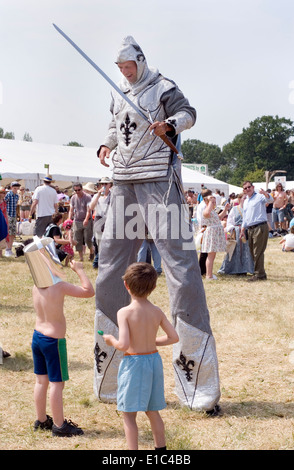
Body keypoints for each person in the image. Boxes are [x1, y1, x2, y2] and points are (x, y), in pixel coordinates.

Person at [94, 36, 221, 414]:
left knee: (181, 270)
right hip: (123, 183)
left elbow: (189, 113)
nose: (124, 72)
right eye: (119, 68)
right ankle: (111, 375)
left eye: (128, 66)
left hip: (159, 181)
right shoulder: (119, 92)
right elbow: (116, 127)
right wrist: (106, 144)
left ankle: (197, 384)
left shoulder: (164, 86)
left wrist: (170, 123)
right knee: (108, 270)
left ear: (141, 60)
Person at [102, 262, 179, 450]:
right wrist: (152, 342)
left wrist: (110, 339)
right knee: (153, 411)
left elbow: (123, 345)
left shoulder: (124, 312)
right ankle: (161, 450)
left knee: (129, 414)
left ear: (126, 285)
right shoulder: (156, 311)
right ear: (153, 287)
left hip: (133, 364)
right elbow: (173, 337)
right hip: (153, 361)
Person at [31, 258, 94, 437]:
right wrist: (79, 270)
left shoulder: (36, 287)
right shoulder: (59, 287)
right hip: (53, 342)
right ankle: (59, 426)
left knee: (41, 381)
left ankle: (41, 420)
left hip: (37, 337)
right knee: (57, 384)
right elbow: (89, 291)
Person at [240, 181, 273, 282]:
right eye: (245, 188)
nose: (247, 189)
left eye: (249, 187)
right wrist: (242, 229)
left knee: (257, 251)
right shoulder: (246, 201)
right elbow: (245, 217)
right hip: (250, 229)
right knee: (252, 251)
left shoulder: (259, 196)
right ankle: (261, 274)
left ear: (253, 187)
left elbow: (270, 200)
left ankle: (258, 275)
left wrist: (265, 194)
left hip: (260, 226)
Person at [218, 193, 254, 276]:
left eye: (247, 198)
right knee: (235, 250)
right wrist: (231, 231)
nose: (245, 200)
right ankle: (234, 269)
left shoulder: (249, 209)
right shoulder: (234, 209)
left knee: (247, 250)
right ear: (239, 199)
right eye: (244, 198)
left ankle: (246, 269)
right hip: (237, 231)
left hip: (247, 231)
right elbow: (229, 222)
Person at [201, 195, 229, 280]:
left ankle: (209, 274)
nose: (213, 203)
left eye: (214, 202)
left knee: (212, 255)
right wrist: (210, 202)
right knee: (211, 255)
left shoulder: (212, 211)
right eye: (212, 202)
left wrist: (225, 210)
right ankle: (208, 275)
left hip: (214, 233)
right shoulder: (206, 210)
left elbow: (219, 217)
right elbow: (206, 213)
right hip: (211, 234)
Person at [88, 177, 113, 267]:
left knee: (109, 242)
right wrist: (98, 195)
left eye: (106, 184)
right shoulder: (97, 196)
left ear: (110, 185)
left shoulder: (113, 195)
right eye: (102, 184)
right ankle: (97, 263)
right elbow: (91, 207)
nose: (104, 186)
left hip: (110, 220)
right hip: (99, 219)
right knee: (99, 243)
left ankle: (103, 262)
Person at [68, 182, 94, 262]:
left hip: (87, 220)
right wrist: (69, 220)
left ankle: (92, 252)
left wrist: (86, 219)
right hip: (77, 220)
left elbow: (88, 210)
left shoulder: (88, 197)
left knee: (87, 239)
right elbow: (71, 210)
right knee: (77, 240)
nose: (77, 191)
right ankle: (81, 258)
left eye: (79, 190)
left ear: (82, 189)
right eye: (75, 190)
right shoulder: (73, 198)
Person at [4, 181, 20, 257]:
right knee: (8, 233)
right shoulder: (8, 195)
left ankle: (10, 249)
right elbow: (4, 204)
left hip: (13, 216)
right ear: (11, 188)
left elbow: (16, 207)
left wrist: (17, 215)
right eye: (14, 188)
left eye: (17, 188)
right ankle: (7, 249)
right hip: (8, 216)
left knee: (13, 233)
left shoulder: (17, 196)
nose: (16, 189)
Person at [0, 186, 9, 257]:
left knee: (3, 235)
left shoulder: (4, 201)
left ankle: (1, 254)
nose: (4, 194)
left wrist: (7, 221)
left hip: (3, 220)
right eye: (2, 193)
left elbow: (5, 211)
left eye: (4, 193)